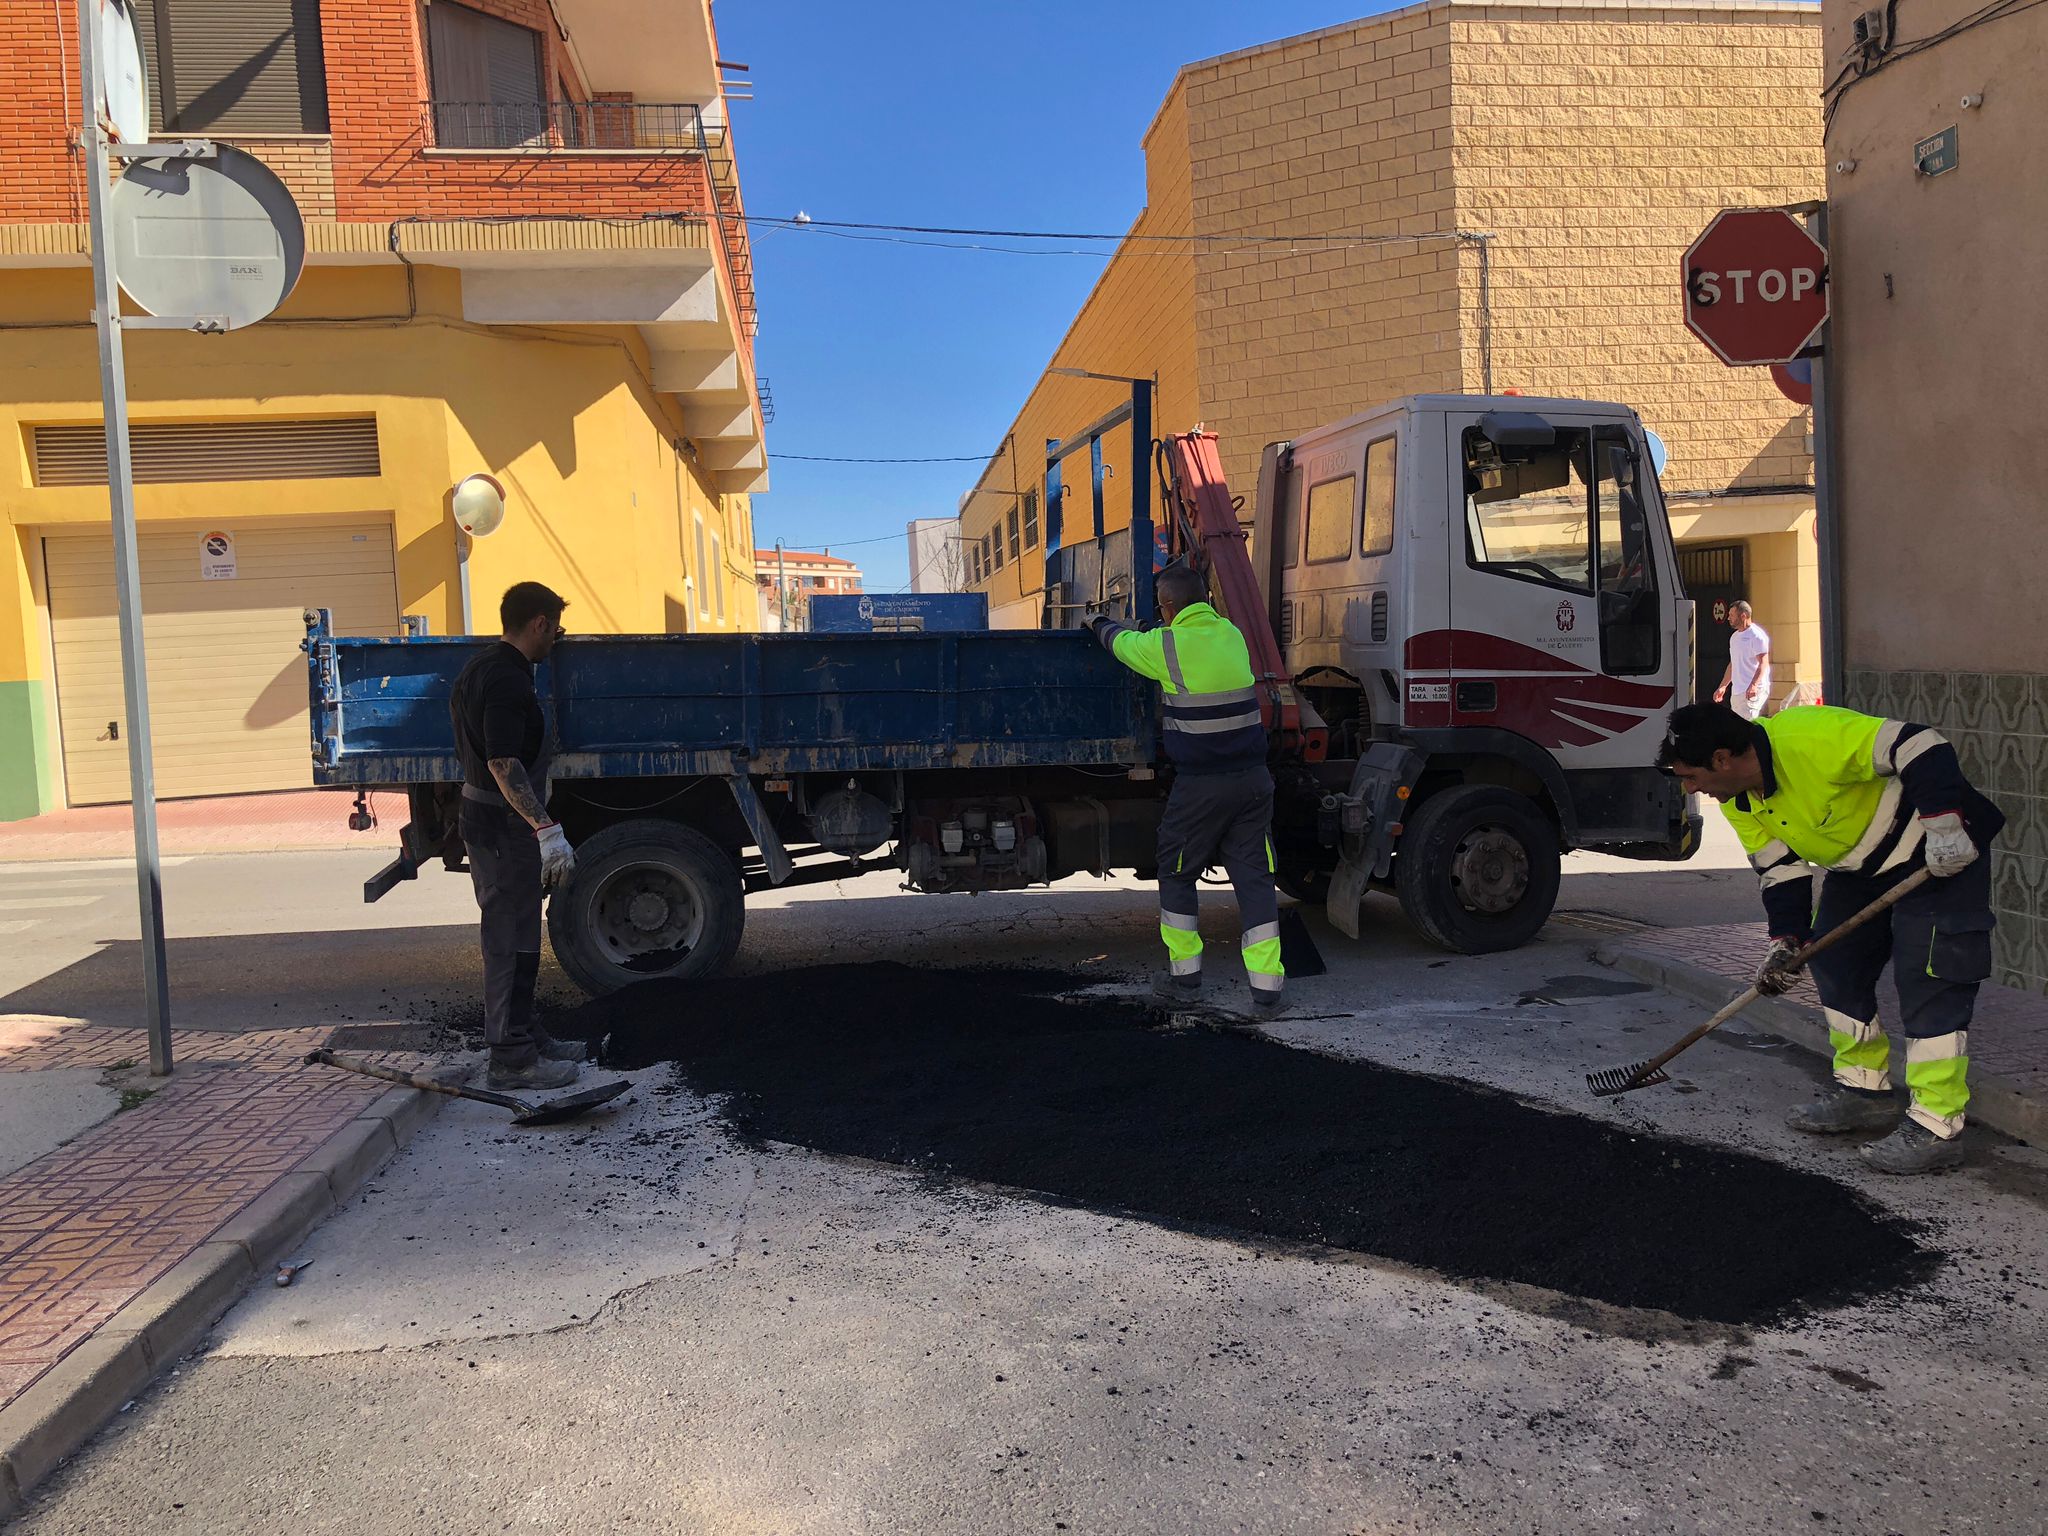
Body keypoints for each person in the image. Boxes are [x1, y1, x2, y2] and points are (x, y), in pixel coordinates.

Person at [1657, 700, 2002, 1174]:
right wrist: (1788, 942)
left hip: (1939, 856)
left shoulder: (1807, 735)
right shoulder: (1740, 798)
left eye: (1691, 776)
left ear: (1721, 759)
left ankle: (1937, 1126)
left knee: (1927, 978)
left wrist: (1943, 825)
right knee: (1834, 964)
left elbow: (1922, 744)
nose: (1690, 788)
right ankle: (1864, 1092)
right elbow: (1780, 870)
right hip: (1859, 870)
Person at [1088, 566, 1284, 1011]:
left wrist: (1097, 622)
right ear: (1206, 599)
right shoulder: (1231, 634)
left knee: (1176, 874)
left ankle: (1186, 981)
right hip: (1254, 781)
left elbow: (1121, 645)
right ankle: (1268, 991)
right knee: (1254, 880)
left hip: (1202, 788)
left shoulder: (1164, 647)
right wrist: (1153, 627)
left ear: (1168, 607)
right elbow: (1177, 638)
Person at [449, 582, 587, 1089]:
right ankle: (511, 1059)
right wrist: (545, 827)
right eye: (557, 628)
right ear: (539, 623)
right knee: (508, 939)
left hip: (496, 823)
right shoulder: (506, 679)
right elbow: (503, 762)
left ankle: (526, 1034)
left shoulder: (483, 668)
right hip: (501, 827)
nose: (557, 639)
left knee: (524, 933)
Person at [1712, 600, 1771, 719]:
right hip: (1737, 691)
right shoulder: (1734, 638)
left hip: (1753, 690)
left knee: (1748, 726)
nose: (1728, 618)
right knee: (1737, 727)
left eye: (1732, 615)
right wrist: (1723, 686)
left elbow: (1763, 663)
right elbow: (1733, 663)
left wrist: (1754, 685)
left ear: (1743, 616)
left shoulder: (1757, 636)